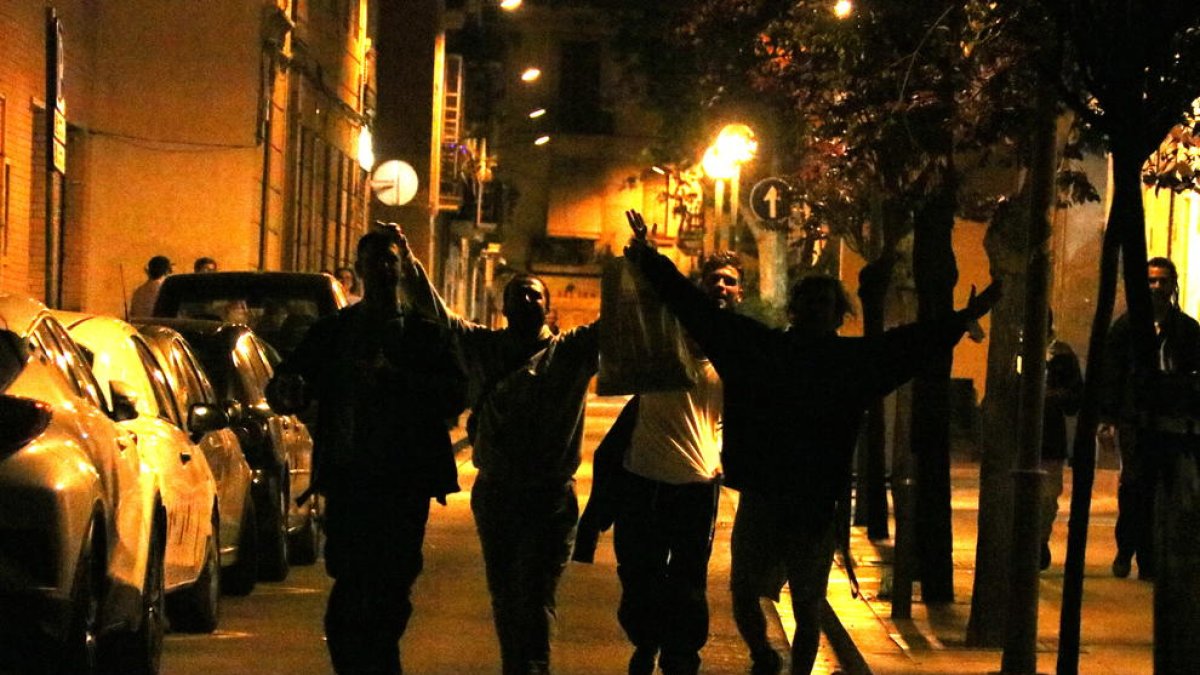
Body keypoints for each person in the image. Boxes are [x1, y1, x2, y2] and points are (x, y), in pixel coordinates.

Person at [622, 210, 999, 674]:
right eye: (811, 301)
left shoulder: (850, 363)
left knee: (807, 604)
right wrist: (651, 259)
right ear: (796, 309)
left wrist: (961, 319)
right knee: (744, 597)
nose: (819, 309)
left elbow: (908, 345)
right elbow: (697, 311)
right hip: (763, 496)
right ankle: (763, 654)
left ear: (839, 313)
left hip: (815, 504)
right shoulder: (764, 350)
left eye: (827, 302)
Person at [266, 225, 466, 674]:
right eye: (374, 260)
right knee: (350, 589)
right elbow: (287, 380)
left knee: (392, 588)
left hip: (404, 485)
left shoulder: (425, 334)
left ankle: (378, 661)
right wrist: (289, 391)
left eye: (391, 259)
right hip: (351, 481)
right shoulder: (335, 332)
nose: (384, 268)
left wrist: (394, 377)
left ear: (402, 268)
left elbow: (455, 393)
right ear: (358, 270)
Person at [400, 231, 599, 675]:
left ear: (548, 306)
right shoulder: (484, 348)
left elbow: (621, 321)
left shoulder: (569, 353)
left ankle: (534, 667)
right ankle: (518, 666)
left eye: (534, 294)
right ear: (503, 308)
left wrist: (644, 266)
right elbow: (437, 314)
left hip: (549, 500)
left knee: (535, 593)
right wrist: (408, 260)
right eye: (517, 295)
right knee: (506, 594)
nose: (526, 300)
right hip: (497, 496)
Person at [604, 251, 742, 675]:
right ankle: (645, 642)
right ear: (697, 288)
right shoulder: (664, 336)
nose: (720, 286)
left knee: (688, 583)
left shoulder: (738, 353)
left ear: (740, 294)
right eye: (712, 279)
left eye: (729, 281)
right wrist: (645, 254)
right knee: (639, 575)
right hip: (642, 476)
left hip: (697, 485)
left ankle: (681, 657)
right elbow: (639, 295)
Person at [1098, 256, 1200, 580]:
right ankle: (1128, 545)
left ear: (1173, 285)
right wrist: (1107, 419)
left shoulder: (1186, 329)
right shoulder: (1126, 327)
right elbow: (1111, 375)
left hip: (1173, 421)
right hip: (1135, 418)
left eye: (1162, 281)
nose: (1156, 287)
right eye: (1151, 281)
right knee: (1135, 484)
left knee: (1167, 487)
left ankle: (1151, 556)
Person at [1038, 310, 1083, 571]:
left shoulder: (1062, 355)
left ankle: (1039, 539)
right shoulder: (1013, 350)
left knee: (1046, 498)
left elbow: (1074, 398)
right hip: (1019, 440)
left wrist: (1052, 396)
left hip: (1049, 441)